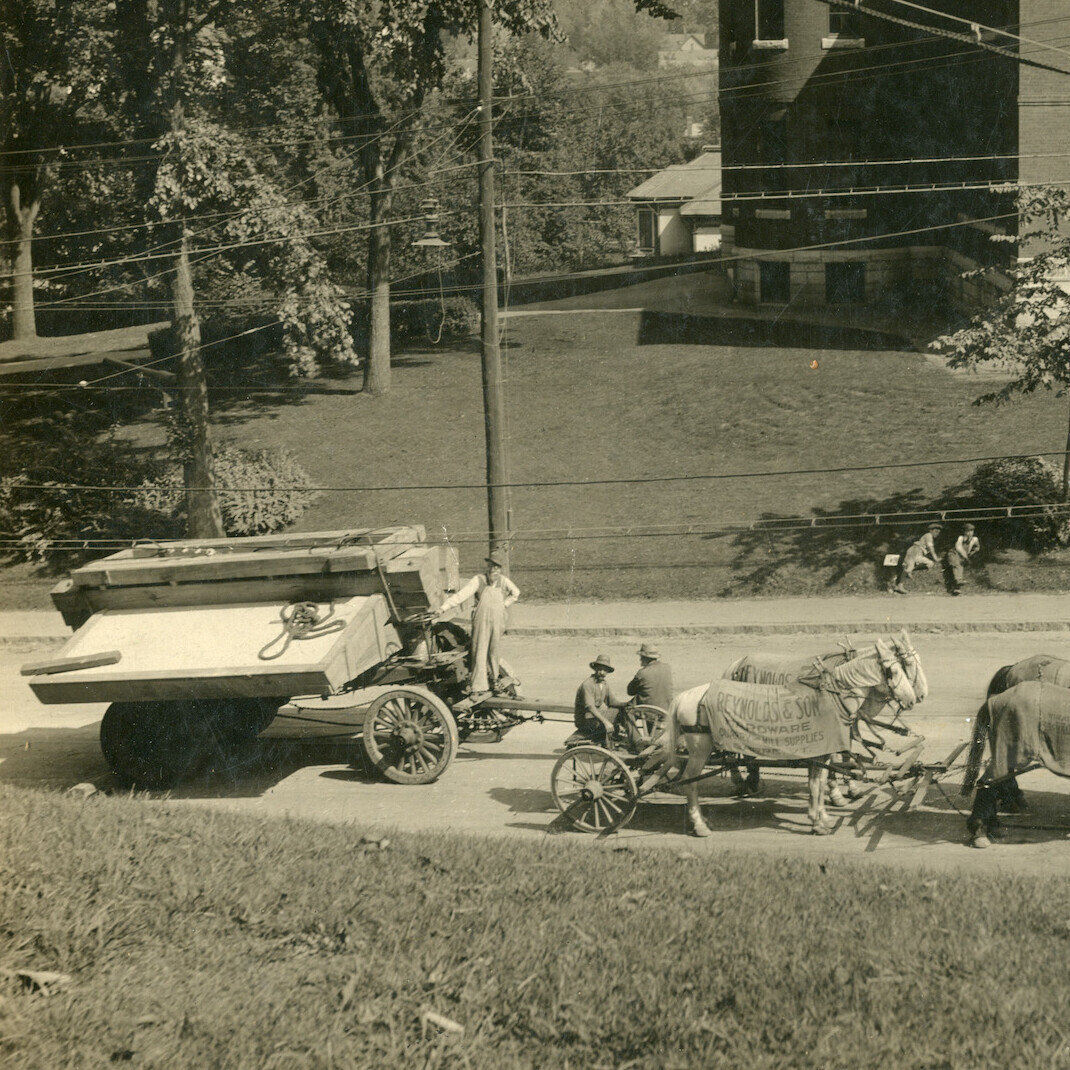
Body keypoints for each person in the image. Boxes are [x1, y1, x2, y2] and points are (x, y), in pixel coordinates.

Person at [435, 551, 519, 696]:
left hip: (498, 622)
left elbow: (516, 593)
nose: (494, 570)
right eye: (492, 566)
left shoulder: (503, 581)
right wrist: (443, 608)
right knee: (479, 651)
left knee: (494, 651)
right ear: (487, 566)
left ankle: (495, 681)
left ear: (500, 569)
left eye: (497, 568)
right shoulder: (478, 580)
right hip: (482, 622)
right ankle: (478, 686)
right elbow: (461, 596)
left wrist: (504, 605)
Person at [573, 654, 630, 746]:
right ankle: (611, 738)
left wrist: (627, 704)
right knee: (614, 715)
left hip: (594, 717)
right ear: (595, 669)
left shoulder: (604, 684)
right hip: (585, 720)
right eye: (599, 669)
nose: (602, 672)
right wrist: (606, 722)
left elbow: (612, 702)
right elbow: (590, 707)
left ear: (607, 671)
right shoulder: (587, 684)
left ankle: (619, 735)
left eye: (605, 670)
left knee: (622, 710)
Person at [891, 523, 942, 594]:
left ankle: (905, 572)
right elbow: (931, 548)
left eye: (938, 532)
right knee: (909, 568)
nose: (937, 534)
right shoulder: (928, 535)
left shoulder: (929, 537)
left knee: (930, 564)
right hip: (914, 551)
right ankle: (900, 585)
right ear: (931, 530)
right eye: (936, 531)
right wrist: (936, 558)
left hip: (919, 553)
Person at [945, 522, 980, 595]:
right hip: (954, 553)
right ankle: (958, 581)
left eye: (971, 531)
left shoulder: (974, 539)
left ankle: (956, 588)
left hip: (962, 556)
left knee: (960, 567)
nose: (970, 533)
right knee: (957, 565)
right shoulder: (960, 538)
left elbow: (977, 547)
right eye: (967, 531)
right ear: (964, 532)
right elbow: (959, 548)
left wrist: (973, 552)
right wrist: (967, 558)